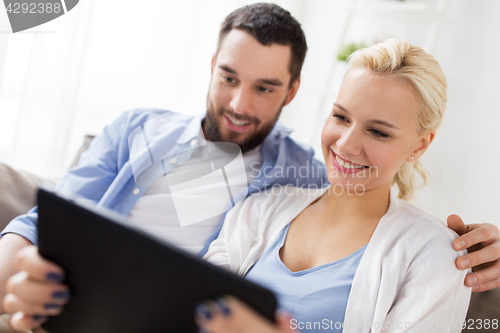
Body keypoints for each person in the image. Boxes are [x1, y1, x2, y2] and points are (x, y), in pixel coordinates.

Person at [0, 3, 499, 332]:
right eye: (341, 117)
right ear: (212, 64)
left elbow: (379, 204)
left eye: (264, 88)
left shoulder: (299, 175)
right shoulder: (144, 134)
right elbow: (45, 218)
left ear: (293, 90)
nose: (239, 104)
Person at [196, 39, 473, 332]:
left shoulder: (435, 254)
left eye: (378, 132)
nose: (346, 144)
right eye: (341, 117)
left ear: (419, 145)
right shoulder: (259, 209)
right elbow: (191, 305)